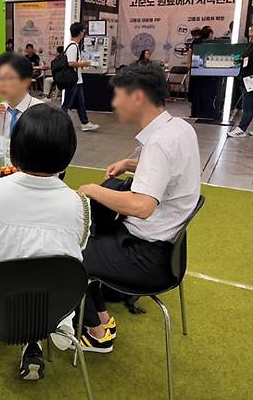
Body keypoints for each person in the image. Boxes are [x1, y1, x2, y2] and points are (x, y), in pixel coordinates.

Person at [0, 103, 90, 380]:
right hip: (51, 311)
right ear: (67, 155)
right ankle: (33, 343)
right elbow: (78, 247)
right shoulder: (79, 204)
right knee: (42, 270)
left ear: (15, 149)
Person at [76, 62, 200, 353]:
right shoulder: (179, 128)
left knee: (67, 252)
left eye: (118, 95)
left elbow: (142, 206)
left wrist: (92, 189)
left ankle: (97, 333)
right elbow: (170, 169)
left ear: (137, 97)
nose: (114, 102)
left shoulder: (158, 143)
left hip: (145, 255)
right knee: (90, 235)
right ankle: (103, 316)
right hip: (168, 250)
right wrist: (131, 163)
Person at [61, 22, 100, 132]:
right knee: (67, 104)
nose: (84, 32)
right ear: (80, 32)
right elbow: (70, 63)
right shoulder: (73, 46)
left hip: (77, 80)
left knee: (81, 103)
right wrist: (84, 63)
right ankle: (57, 121)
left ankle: (85, 123)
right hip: (73, 81)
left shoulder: (74, 46)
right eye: (83, 31)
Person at [187, 26, 216, 118]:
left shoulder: (196, 42)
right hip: (206, 71)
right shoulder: (210, 43)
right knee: (206, 92)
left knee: (197, 92)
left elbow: (189, 52)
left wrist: (189, 65)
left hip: (196, 70)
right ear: (210, 34)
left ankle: (196, 111)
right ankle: (207, 112)